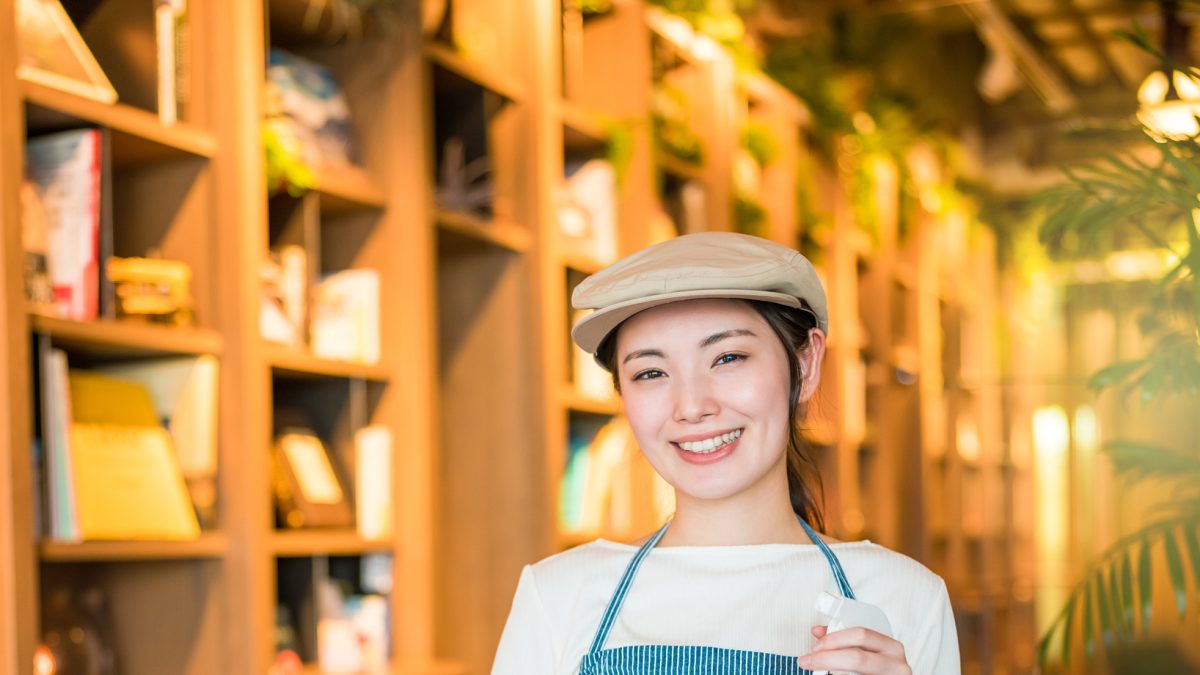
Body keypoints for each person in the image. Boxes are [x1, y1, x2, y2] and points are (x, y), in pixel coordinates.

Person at [492, 232, 960, 674]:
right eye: (651, 373)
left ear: (806, 363)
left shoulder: (905, 598)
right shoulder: (555, 596)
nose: (692, 406)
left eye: (728, 358)